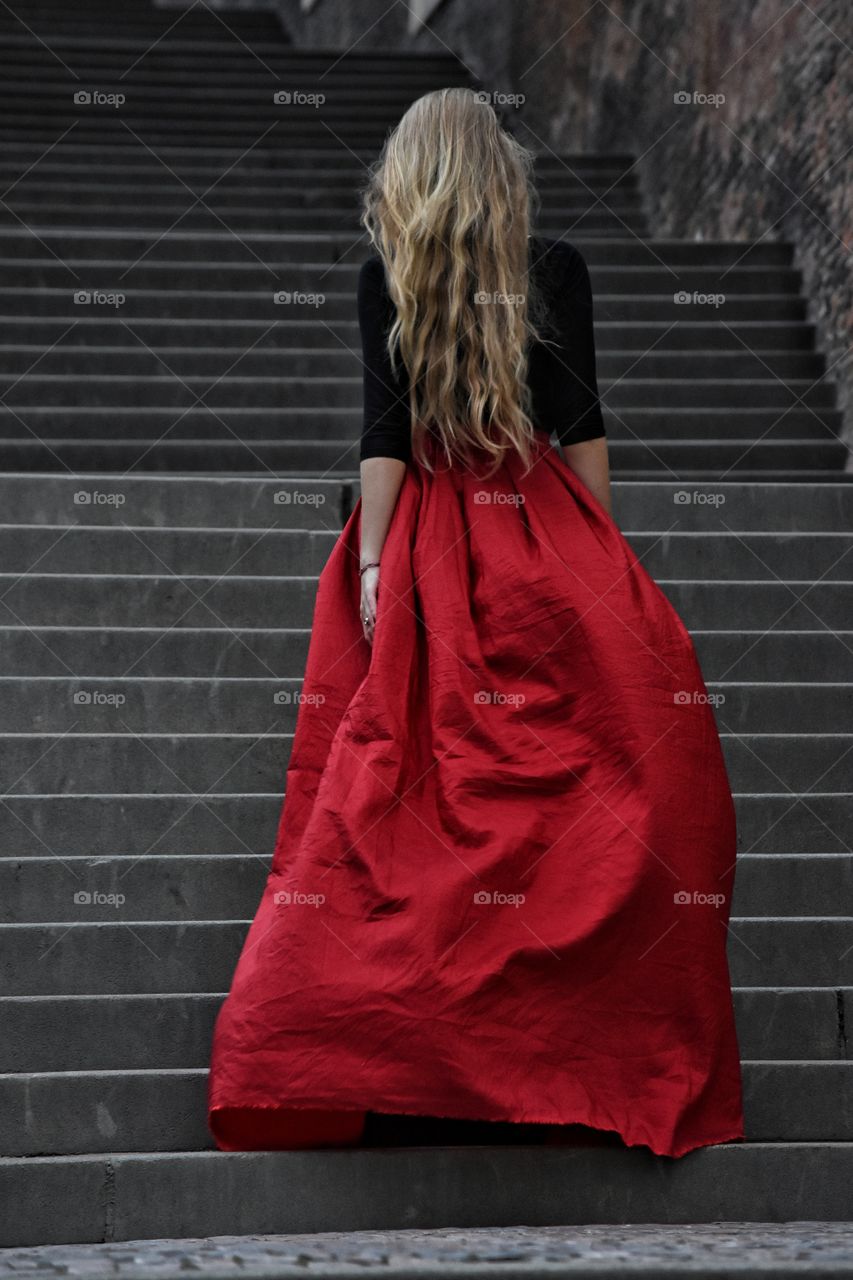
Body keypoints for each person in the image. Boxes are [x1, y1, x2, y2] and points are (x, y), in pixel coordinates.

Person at [207, 87, 744, 1159]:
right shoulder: (557, 271)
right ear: (499, 176)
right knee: (598, 770)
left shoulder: (388, 277)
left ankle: (369, 1043)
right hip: (541, 531)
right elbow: (581, 436)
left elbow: (385, 435)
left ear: (412, 177)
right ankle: (583, 1046)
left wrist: (369, 567)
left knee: (398, 797)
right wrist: (607, 572)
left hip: (422, 541)